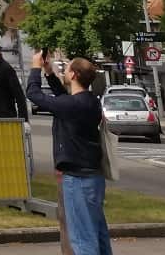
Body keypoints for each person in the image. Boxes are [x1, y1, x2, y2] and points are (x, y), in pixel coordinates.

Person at [27, 50, 111, 255]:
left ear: (73, 74)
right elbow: (64, 97)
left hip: (78, 179)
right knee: (96, 234)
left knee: (82, 239)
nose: (64, 71)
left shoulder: (73, 105)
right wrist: (49, 72)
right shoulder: (90, 101)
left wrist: (36, 68)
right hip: (93, 177)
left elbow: (34, 94)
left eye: (67, 68)